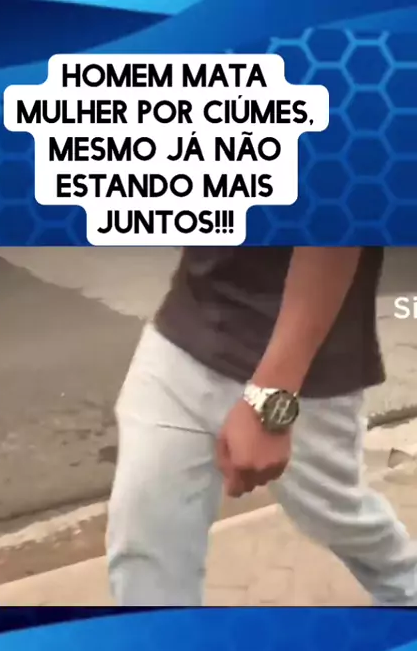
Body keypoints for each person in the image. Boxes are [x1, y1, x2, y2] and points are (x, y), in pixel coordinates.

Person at [106, 247, 417, 606]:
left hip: (300, 359)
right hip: (185, 325)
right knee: (143, 540)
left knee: (339, 518)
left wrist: (270, 399)